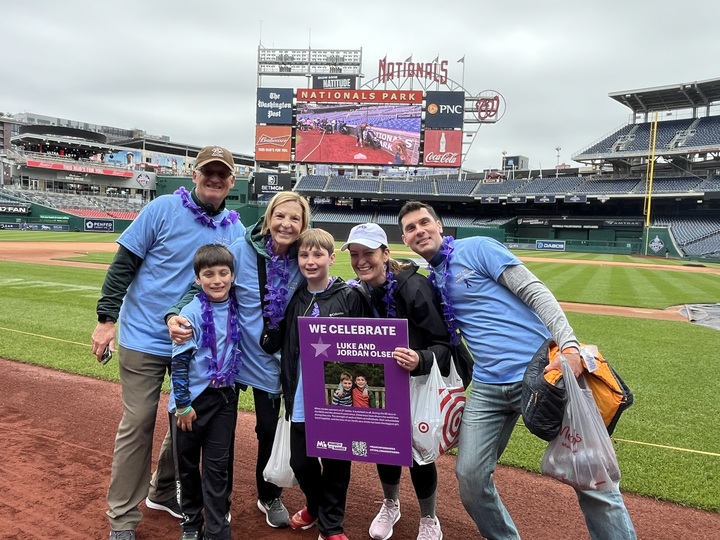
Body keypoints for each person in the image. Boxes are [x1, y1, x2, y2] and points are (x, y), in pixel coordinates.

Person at [397, 201, 637, 540]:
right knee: (470, 479)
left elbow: (535, 292)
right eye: (410, 228)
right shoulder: (431, 280)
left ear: (439, 225)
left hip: (542, 375)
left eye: (424, 222)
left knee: (591, 476)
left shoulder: (478, 247)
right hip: (487, 385)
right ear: (405, 239)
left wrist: (568, 346)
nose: (419, 230)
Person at [91, 145, 243, 540]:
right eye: (207, 172)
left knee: (188, 418)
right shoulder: (161, 209)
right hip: (145, 335)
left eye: (222, 174)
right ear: (194, 175)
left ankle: (161, 491)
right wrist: (107, 321)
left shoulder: (235, 228)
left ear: (231, 181)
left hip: (197, 349)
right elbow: (124, 264)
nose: (214, 179)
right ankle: (122, 518)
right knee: (139, 421)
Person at [168, 191, 311, 529]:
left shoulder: (300, 259)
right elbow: (203, 282)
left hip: (270, 364)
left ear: (304, 224)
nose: (286, 224)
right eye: (280, 215)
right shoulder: (240, 249)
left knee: (268, 429)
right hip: (230, 355)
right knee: (210, 430)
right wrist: (174, 315)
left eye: (294, 218)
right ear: (268, 217)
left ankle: (269, 495)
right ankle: (195, 497)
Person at [341, 222, 466, 540]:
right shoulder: (359, 290)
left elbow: (445, 344)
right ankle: (390, 504)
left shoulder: (413, 287)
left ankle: (429, 518)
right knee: (384, 449)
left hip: (419, 382)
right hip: (382, 382)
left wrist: (419, 358)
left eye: (368, 253)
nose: (361, 261)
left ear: (385, 253)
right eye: (355, 255)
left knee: (419, 454)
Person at [278, 228, 368, 540]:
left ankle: (332, 526)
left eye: (318, 254)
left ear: (331, 258)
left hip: (336, 398)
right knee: (300, 463)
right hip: (300, 394)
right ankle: (315, 506)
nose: (310, 261)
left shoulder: (349, 296)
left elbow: (366, 346)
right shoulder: (294, 297)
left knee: (336, 465)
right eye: (304, 254)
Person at [170, 244, 240, 540]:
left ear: (233, 276)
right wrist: (183, 405)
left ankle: (217, 528)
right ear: (197, 279)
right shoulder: (191, 312)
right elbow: (180, 362)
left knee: (217, 466)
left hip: (224, 398)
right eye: (208, 274)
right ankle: (190, 521)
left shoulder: (238, 306)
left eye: (223, 273)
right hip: (192, 401)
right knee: (186, 464)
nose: (217, 280)